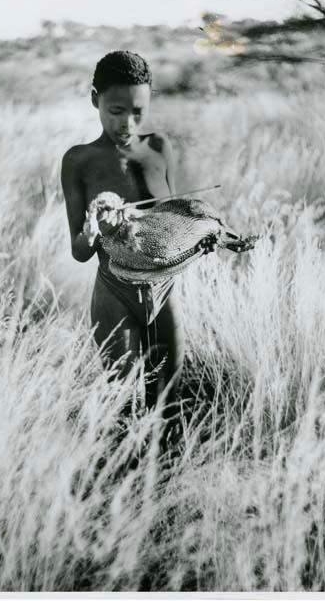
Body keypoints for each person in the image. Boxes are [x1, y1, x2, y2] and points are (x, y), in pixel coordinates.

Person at [61, 50, 213, 431]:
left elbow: (174, 226)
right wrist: (92, 232)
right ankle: (123, 483)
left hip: (165, 290)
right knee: (125, 405)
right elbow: (80, 253)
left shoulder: (159, 148)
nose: (127, 123)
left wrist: (201, 242)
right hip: (115, 293)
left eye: (137, 112)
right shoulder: (79, 160)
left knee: (169, 402)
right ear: (94, 98)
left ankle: (167, 481)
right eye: (115, 111)